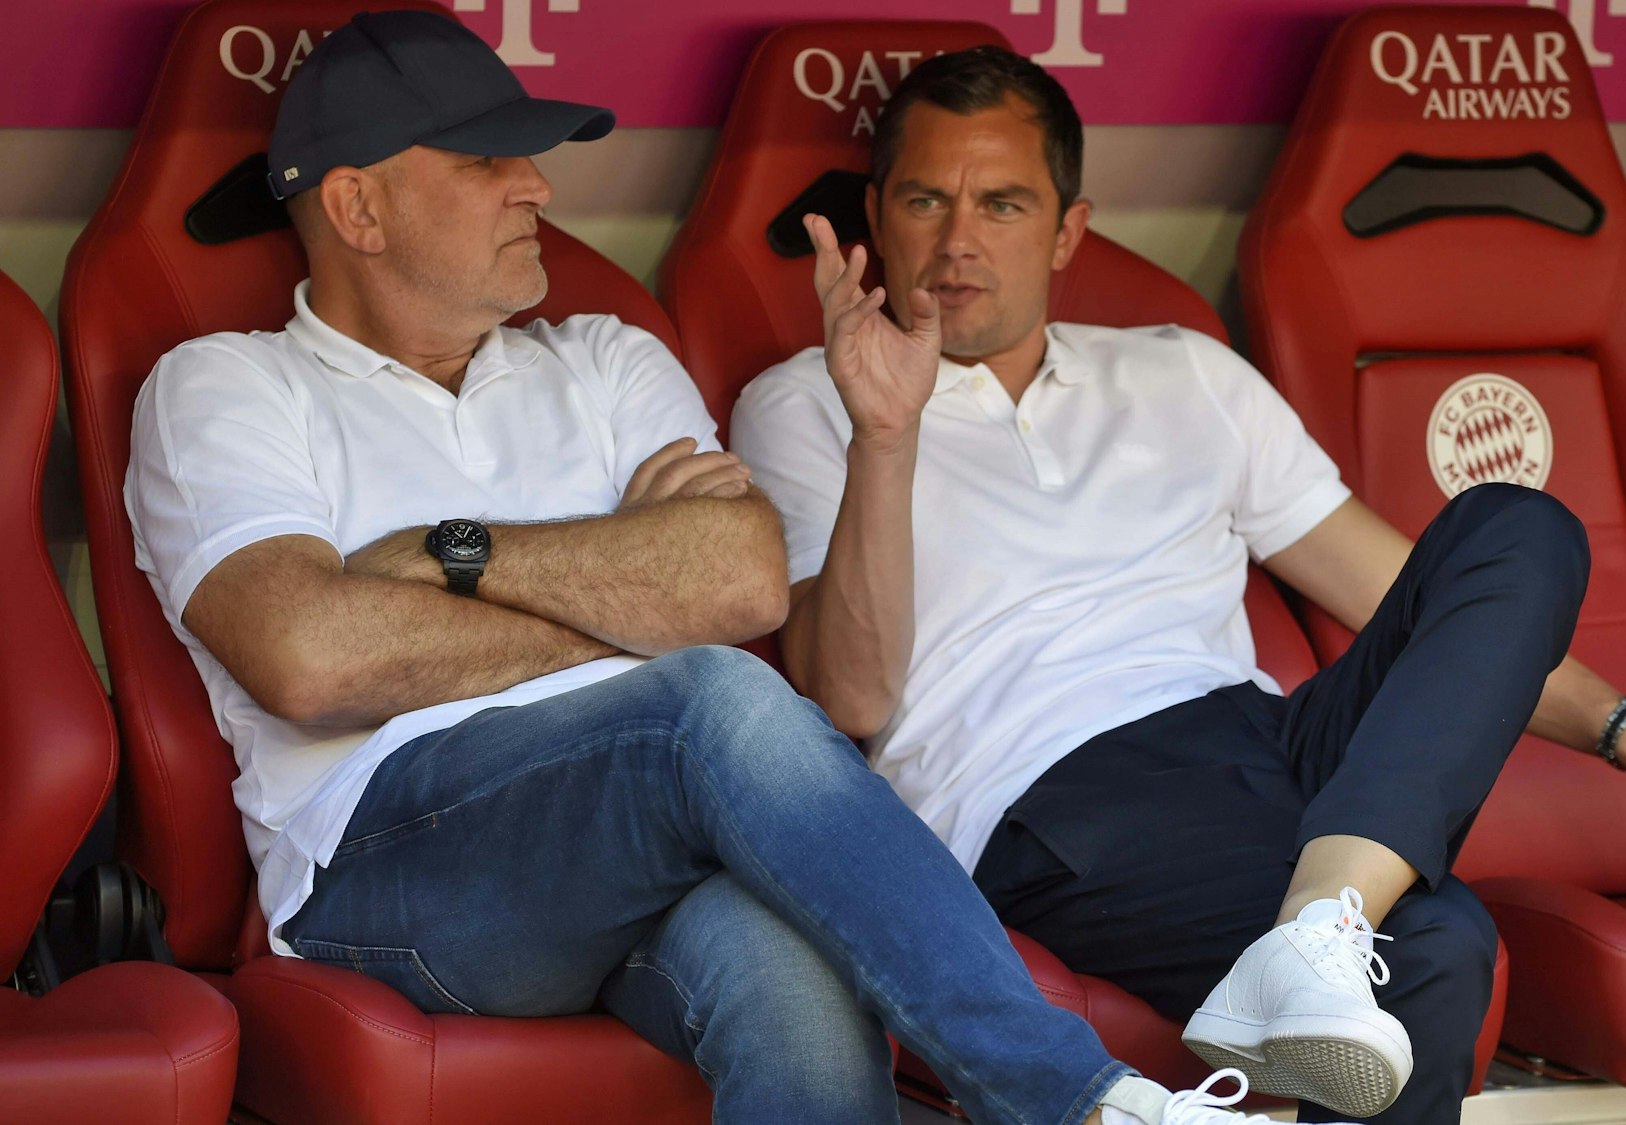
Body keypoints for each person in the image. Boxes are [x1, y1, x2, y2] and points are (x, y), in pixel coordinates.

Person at [124, 12, 1282, 1125]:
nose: (537, 186)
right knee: (712, 700)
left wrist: (449, 557)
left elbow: (739, 587)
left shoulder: (604, 357)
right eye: (488, 161)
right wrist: (635, 610)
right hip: (392, 867)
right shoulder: (224, 386)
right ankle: (1071, 1102)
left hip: (641, 850)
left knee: (793, 982)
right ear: (356, 205)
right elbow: (312, 660)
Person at [731, 46, 1626, 1123]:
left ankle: (1320, 922)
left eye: (1001, 204)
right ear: (876, 213)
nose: (959, 241)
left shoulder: (1179, 369)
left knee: (1515, 528)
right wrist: (885, 433)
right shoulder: (807, 402)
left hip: (1260, 745)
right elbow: (850, 702)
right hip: (1048, 795)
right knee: (1435, 945)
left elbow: (1407, 598)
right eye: (925, 199)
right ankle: (1329, 930)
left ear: (1066, 230)